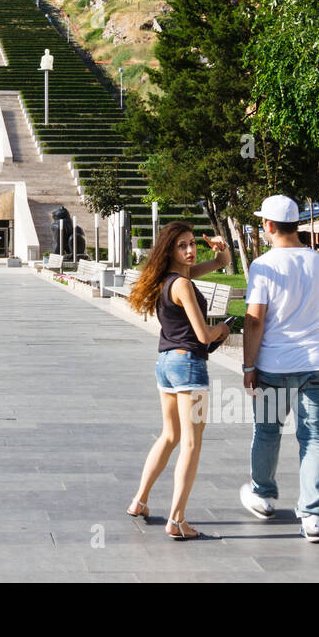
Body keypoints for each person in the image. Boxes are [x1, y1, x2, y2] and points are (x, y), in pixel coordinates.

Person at [239, 194, 319, 543]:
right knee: (314, 438)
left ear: (268, 225)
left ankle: (263, 494)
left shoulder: (263, 266)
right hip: (317, 363)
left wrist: (249, 365)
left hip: (273, 365)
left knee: (267, 431)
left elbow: (254, 321)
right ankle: (313, 515)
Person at [124, 222, 232, 540]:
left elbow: (221, 264)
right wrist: (223, 330)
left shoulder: (170, 279)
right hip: (188, 366)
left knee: (169, 436)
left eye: (191, 244)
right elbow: (203, 334)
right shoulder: (183, 285)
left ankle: (140, 500)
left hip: (166, 363)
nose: (189, 250)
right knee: (191, 443)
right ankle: (177, 519)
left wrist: (220, 247)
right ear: (170, 250)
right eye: (182, 245)